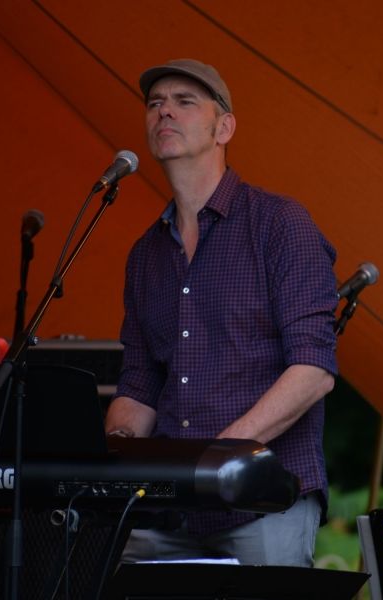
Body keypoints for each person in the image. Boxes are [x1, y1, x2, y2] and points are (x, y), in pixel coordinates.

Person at [105, 58, 338, 567]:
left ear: (224, 127)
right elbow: (140, 382)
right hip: (169, 508)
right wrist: (115, 450)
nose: (165, 111)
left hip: (264, 499)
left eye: (185, 101)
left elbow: (313, 371)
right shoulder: (145, 255)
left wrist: (220, 456)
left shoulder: (280, 224)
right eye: (155, 103)